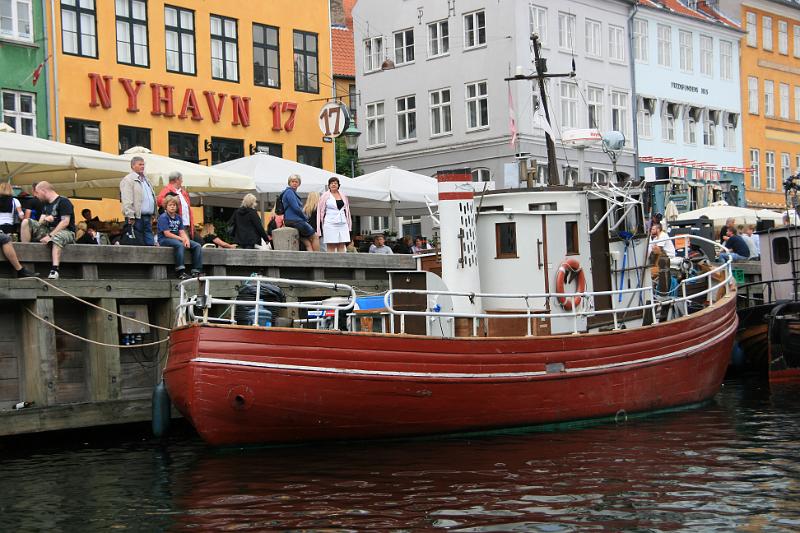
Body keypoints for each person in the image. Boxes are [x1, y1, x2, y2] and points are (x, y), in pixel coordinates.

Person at [19, 181, 76, 279]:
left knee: (57, 236)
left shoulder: (64, 201)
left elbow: (65, 222)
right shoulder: (46, 204)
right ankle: (26, 254)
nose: (36, 196)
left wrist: (50, 236)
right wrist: (45, 219)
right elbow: (40, 223)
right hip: (49, 230)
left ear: (43, 191)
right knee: (26, 222)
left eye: (37, 193)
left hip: (67, 232)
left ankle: (54, 270)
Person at [157, 196, 203, 280]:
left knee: (197, 245)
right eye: (170, 205)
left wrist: (187, 240)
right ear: (166, 207)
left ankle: (196, 270)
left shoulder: (178, 217)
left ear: (177, 207)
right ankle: (180, 271)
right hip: (164, 239)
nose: (172, 207)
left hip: (177, 238)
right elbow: (167, 234)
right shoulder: (163, 217)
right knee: (179, 245)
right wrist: (182, 239)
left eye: (174, 205)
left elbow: (182, 231)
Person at [120, 156, 157, 246]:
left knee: (150, 243)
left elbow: (151, 197)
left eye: (143, 164)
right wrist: (130, 215)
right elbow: (126, 199)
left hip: (147, 217)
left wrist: (154, 213)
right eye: (140, 164)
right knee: (138, 242)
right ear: (133, 166)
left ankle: (150, 259)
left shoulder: (146, 180)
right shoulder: (128, 180)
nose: (142, 166)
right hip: (136, 217)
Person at [282, 174, 319, 251]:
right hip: (296, 220)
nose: (294, 183)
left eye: (296, 182)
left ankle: (312, 260)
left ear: (299, 184)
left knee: (307, 243)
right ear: (289, 183)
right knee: (315, 236)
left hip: (290, 221)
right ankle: (318, 256)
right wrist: (305, 218)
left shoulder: (288, 192)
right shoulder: (289, 192)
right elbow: (296, 208)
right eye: (292, 181)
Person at [156, 171, 196, 240]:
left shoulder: (183, 192)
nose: (182, 181)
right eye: (181, 179)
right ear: (177, 180)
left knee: (189, 245)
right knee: (186, 245)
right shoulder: (167, 190)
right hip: (176, 224)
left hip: (187, 224)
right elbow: (159, 201)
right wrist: (171, 204)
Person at [316, 177, 352, 253]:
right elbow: (320, 211)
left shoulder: (343, 196)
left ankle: (341, 262)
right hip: (330, 223)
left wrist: (349, 223)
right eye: (331, 183)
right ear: (328, 185)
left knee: (342, 244)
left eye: (335, 183)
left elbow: (347, 210)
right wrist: (319, 227)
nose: (333, 184)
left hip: (342, 223)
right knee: (331, 244)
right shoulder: (324, 196)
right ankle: (331, 263)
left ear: (338, 185)